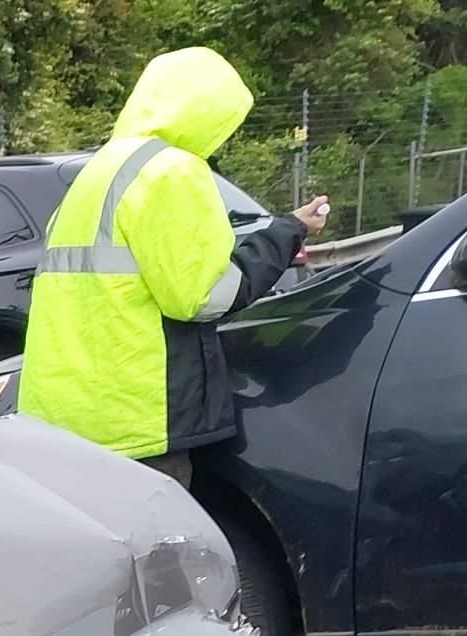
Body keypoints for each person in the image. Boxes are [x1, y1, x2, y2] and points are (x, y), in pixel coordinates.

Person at [19, 47, 328, 483]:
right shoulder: (172, 171)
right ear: (207, 112)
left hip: (67, 415)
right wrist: (287, 233)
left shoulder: (97, 172)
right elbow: (203, 296)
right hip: (136, 418)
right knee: (158, 546)